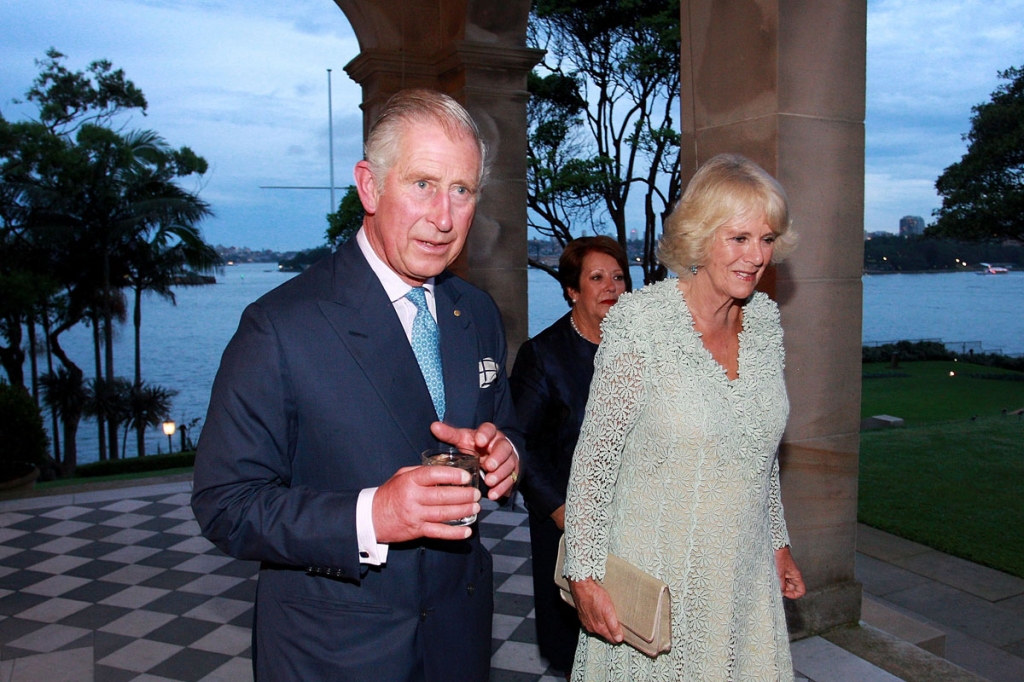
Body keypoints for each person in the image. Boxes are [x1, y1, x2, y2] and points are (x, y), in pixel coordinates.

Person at [191, 89, 522, 682]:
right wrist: (372, 514)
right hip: (332, 653)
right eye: (422, 184)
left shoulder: (476, 313)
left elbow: (505, 419)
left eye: (462, 190)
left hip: (458, 638)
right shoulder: (279, 327)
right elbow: (225, 504)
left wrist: (506, 454)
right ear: (369, 186)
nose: (444, 217)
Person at [562, 154, 806, 681]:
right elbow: (595, 463)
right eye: (738, 238)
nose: (755, 256)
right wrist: (584, 578)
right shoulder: (640, 322)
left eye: (766, 239)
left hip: (745, 583)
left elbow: (757, 454)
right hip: (660, 585)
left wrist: (779, 545)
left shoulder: (765, 322)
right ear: (700, 238)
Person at [510, 236, 631, 676]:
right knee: (577, 643)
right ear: (571, 290)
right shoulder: (542, 355)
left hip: (636, 521)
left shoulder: (641, 351)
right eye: (597, 277)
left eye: (618, 277)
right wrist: (565, 515)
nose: (611, 287)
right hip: (566, 525)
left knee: (632, 634)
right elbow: (519, 444)